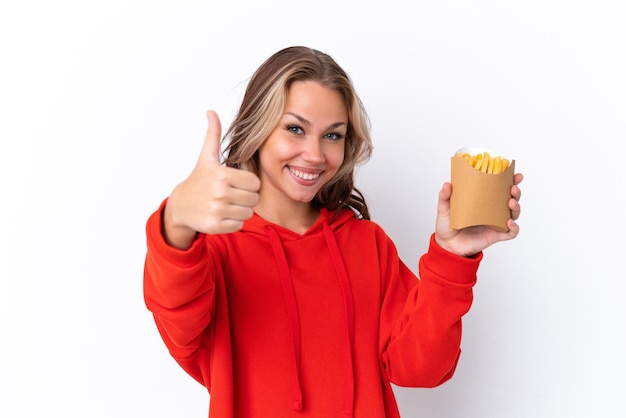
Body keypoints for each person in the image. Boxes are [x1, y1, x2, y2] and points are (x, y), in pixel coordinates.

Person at [143, 46, 523, 418]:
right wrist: (176, 220)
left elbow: (421, 370)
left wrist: (452, 257)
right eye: (295, 129)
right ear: (257, 129)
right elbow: (180, 323)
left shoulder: (366, 243)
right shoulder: (212, 249)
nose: (315, 154)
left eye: (333, 135)